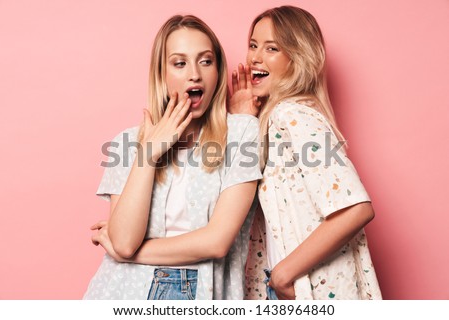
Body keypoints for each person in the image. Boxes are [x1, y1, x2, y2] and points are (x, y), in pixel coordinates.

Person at [84, 14, 261, 300]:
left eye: (206, 61)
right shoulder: (128, 143)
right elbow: (125, 241)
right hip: (120, 293)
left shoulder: (241, 133)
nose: (195, 74)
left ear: (218, 69)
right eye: (180, 63)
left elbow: (217, 242)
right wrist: (149, 153)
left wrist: (127, 252)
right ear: (161, 75)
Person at [230, 6, 382, 300]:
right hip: (282, 288)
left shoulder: (293, 115)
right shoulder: (272, 119)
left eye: (271, 48)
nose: (255, 57)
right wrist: (243, 121)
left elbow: (356, 208)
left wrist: (284, 273)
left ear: (297, 59)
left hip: (312, 289)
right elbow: (238, 193)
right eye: (253, 45)